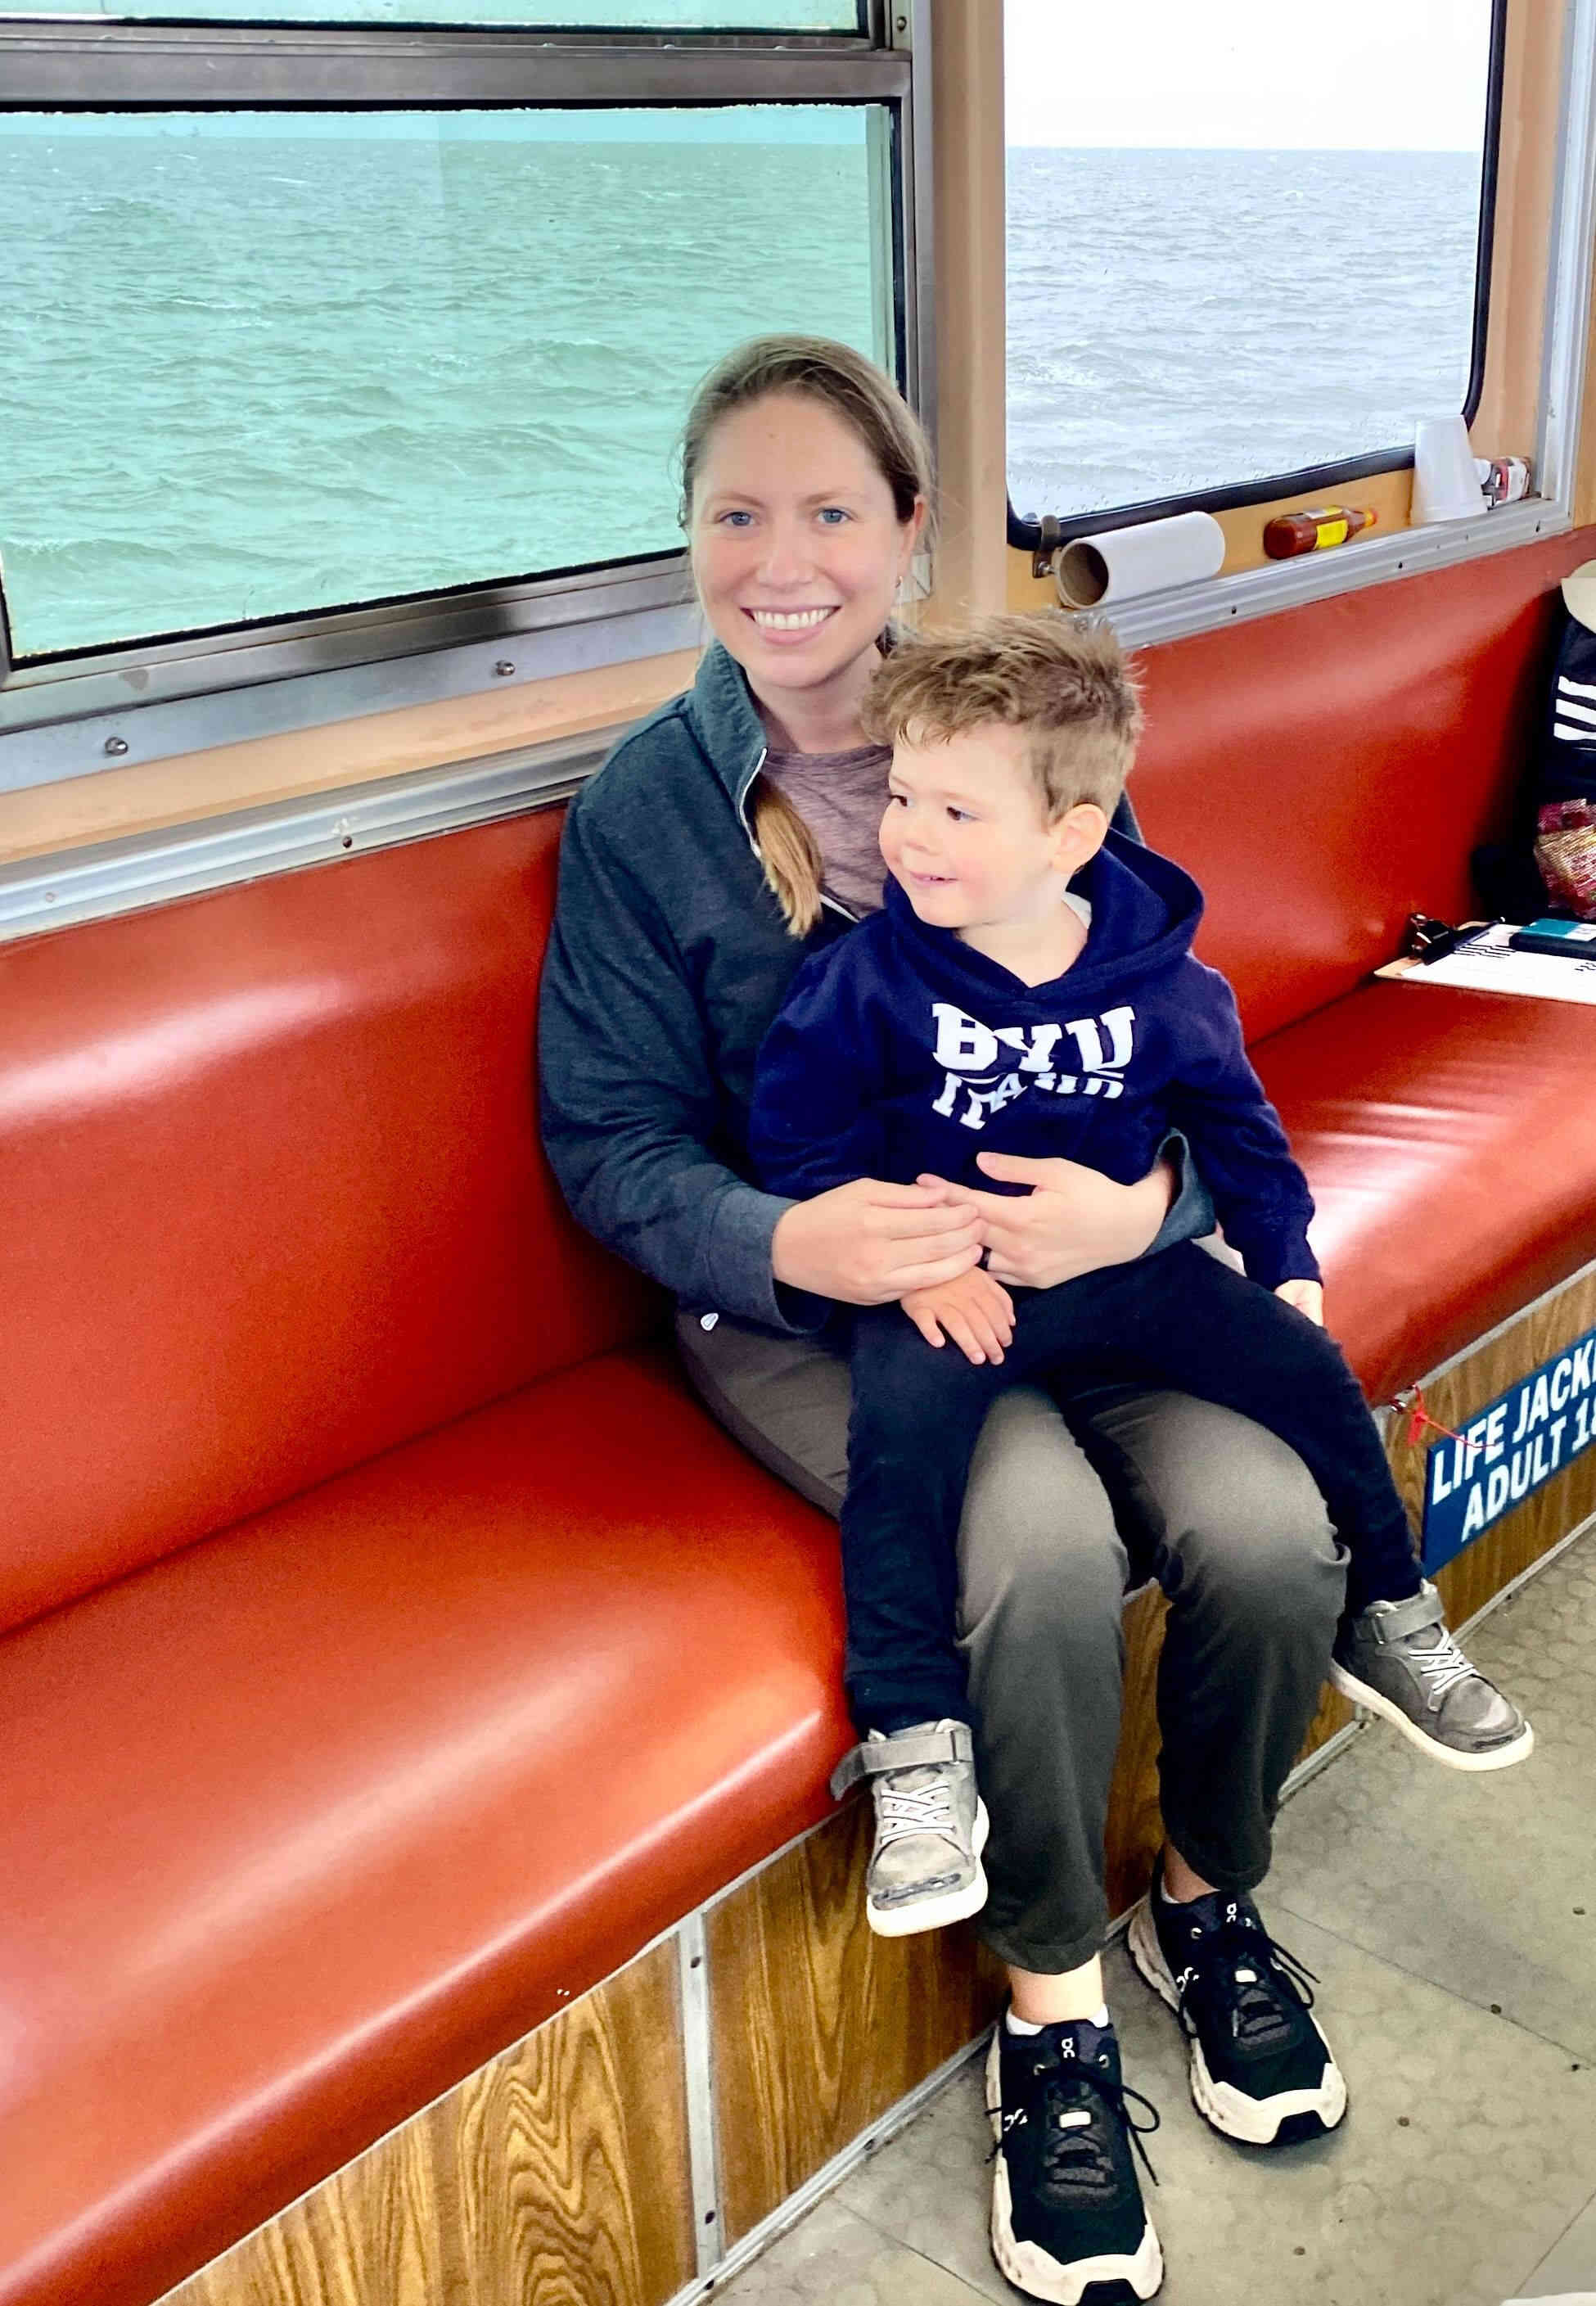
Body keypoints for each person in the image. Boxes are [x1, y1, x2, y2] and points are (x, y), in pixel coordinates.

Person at [539, 333, 1345, 2304]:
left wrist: (1150, 1206)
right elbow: (610, 1143)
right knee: (1041, 1538)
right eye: (736, 512)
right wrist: (794, 1241)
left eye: (831, 510)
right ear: (688, 535)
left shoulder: (1020, 734)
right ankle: (1052, 2008)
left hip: (1082, 1267)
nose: (781, 559)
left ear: (910, 529)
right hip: (811, 1311)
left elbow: (1170, 1036)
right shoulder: (648, 811)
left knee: (1272, 1518)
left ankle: (1205, 1897)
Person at [746, 611, 1534, 1942]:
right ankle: (916, 1743)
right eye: (901, 796)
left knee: (1309, 1374)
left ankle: (1389, 1609)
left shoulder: (1165, 983)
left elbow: (1240, 1133)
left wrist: (1285, 1267)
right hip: (954, 1291)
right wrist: (910, 1273)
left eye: (955, 810)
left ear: (1071, 834)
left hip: (1124, 1270)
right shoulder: (862, 981)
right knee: (900, 1461)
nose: (908, 836)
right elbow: (797, 1144)